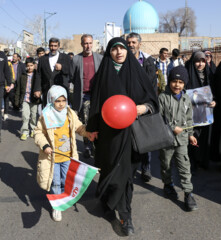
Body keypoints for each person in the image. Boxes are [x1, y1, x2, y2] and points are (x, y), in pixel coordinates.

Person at [87, 38, 158, 236]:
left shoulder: (136, 72)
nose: (118, 52)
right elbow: (96, 104)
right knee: (108, 169)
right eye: (114, 49)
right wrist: (91, 130)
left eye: (122, 48)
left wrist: (141, 108)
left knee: (125, 177)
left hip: (131, 135)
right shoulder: (103, 74)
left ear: (128, 50)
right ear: (109, 52)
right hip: (108, 136)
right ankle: (106, 200)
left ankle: (126, 215)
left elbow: (153, 101)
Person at [34, 85, 93, 222]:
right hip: (52, 158)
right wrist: (45, 145)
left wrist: (88, 133)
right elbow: (38, 133)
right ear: (51, 100)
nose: (61, 104)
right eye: (57, 101)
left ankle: (61, 197)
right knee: (55, 183)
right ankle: (57, 207)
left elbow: (78, 127)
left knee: (65, 180)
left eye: (63, 100)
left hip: (68, 156)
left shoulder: (70, 113)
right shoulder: (46, 115)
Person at [158, 66, 198, 211]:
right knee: (166, 164)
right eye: (174, 81)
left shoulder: (186, 98)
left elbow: (188, 119)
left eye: (181, 82)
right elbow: (159, 119)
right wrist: (170, 128)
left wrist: (191, 134)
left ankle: (188, 193)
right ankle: (168, 185)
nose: (177, 85)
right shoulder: (162, 97)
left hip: (182, 140)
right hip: (166, 140)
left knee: (184, 166)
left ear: (184, 83)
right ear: (170, 82)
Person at [126, 32, 158, 182]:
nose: (131, 45)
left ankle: (146, 168)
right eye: (129, 42)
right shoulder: (123, 60)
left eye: (133, 42)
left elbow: (152, 85)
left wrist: (147, 105)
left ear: (139, 43)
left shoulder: (147, 61)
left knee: (146, 139)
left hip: (143, 107)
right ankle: (131, 168)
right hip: (127, 107)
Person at [71, 34, 103, 159]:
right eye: (85, 43)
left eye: (90, 43)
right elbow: (73, 78)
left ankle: (96, 146)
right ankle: (87, 147)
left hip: (97, 96)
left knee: (97, 121)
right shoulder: (76, 59)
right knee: (85, 121)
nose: (88, 46)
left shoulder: (99, 58)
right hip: (84, 96)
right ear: (81, 44)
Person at [185, 51, 216, 171]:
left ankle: (203, 160)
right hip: (192, 114)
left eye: (203, 61)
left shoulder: (209, 74)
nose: (200, 64)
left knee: (205, 137)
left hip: (207, 113)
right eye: (198, 61)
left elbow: (215, 92)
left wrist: (214, 101)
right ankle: (193, 162)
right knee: (193, 136)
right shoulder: (188, 74)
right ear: (193, 62)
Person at [33, 37, 71, 107]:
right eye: (51, 46)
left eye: (55, 46)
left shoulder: (66, 57)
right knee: (47, 114)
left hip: (61, 93)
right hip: (47, 92)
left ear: (59, 46)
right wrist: (37, 89)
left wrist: (62, 67)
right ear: (49, 46)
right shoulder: (42, 59)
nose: (53, 48)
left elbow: (71, 71)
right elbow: (38, 75)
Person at [15, 57, 41, 140]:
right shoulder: (23, 76)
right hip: (25, 99)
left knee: (33, 116)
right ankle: (25, 132)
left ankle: (33, 130)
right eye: (28, 66)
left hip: (34, 99)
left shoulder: (37, 75)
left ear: (34, 65)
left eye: (31, 65)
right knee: (25, 116)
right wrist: (17, 100)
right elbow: (18, 88)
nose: (30, 67)